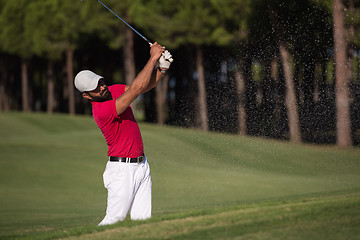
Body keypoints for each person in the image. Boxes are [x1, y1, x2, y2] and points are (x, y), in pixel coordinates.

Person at [74, 42, 173, 226]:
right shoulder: (101, 111)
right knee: (114, 220)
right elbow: (135, 90)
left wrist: (162, 68)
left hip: (141, 166)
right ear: (87, 96)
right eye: (96, 88)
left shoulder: (113, 90)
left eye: (100, 82)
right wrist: (152, 58)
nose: (102, 87)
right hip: (122, 171)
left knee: (142, 223)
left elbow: (141, 87)